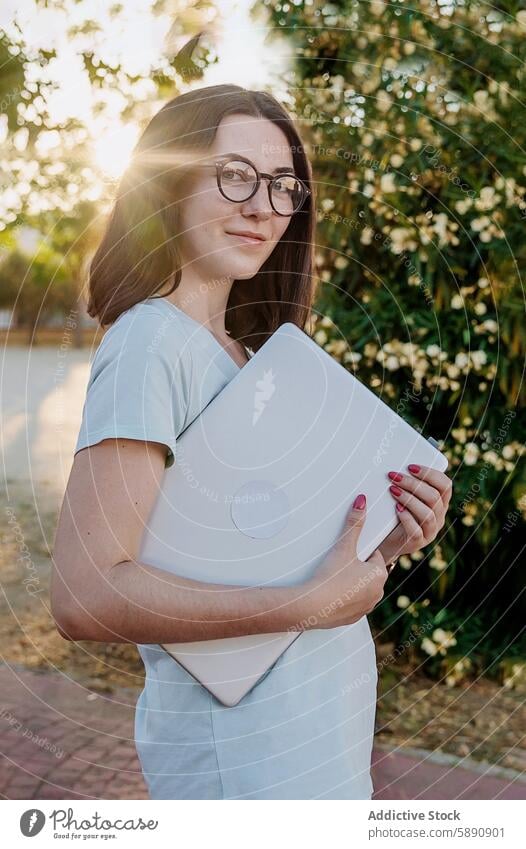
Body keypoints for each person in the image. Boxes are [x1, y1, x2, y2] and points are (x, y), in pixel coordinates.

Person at [51, 84, 453, 800]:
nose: (264, 206)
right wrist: (307, 602)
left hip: (317, 748)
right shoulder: (150, 343)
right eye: (235, 174)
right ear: (166, 184)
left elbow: (266, 556)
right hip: (244, 770)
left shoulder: (247, 357)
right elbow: (86, 595)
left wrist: (384, 541)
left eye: (283, 186)